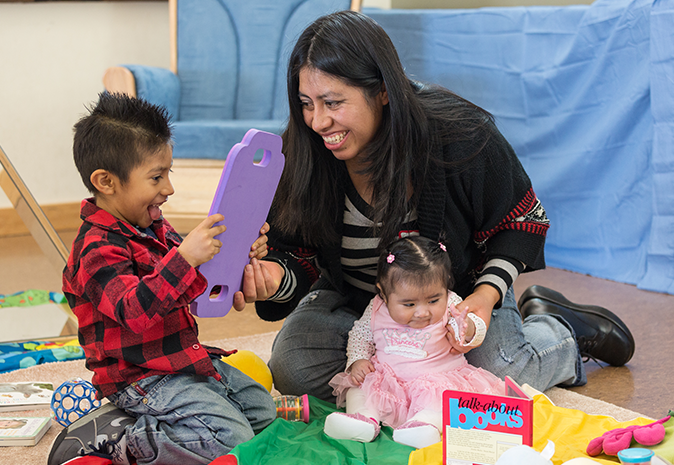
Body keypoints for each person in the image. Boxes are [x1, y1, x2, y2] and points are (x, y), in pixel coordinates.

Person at [237, 10, 634, 403]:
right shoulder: (303, 153)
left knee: (502, 373)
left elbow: (523, 221)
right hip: (361, 304)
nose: (318, 121)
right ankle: (401, 364)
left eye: (333, 102)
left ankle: (562, 332)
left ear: (383, 91)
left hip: (458, 298)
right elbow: (295, 253)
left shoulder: (462, 134)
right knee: (293, 368)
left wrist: (486, 296)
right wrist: (274, 278)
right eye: (307, 103)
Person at [48, 93, 276, 465]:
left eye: (169, 173)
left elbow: (191, 282)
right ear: (106, 182)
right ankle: (117, 438)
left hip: (183, 361)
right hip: (139, 376)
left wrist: (235, 258)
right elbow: (135, 311)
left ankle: (156, 424)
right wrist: (185, 256)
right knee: (229, 440)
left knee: (262, 416)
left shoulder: (153, 225)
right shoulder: (94, 249)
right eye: (156, 176)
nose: (168, 188)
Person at [323, 236, 505, 449]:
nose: (422, 312)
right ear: (383, 292)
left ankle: (424, 426)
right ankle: (362, 420)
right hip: (388, 380)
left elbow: (472, 330)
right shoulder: (377, 308)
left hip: (437, 381)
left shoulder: (452, 304)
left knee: (443, 403)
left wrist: (469, 328)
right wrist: (358, 361)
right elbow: (360, 335)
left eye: (433, 300)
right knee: (358, 388)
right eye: (409, 304)